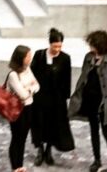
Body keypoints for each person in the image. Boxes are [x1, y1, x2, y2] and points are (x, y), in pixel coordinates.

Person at [71, 30, 107, 172]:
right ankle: (97, 160)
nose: (90, 47)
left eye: (93, 44)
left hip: (104, 102)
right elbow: (84, 76)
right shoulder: (88, 57)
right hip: (90, 100)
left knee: (106, 131)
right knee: (93, 130)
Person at [30, 30, 74, 166]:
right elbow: (32, 74)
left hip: (56, 100)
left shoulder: (65, 58)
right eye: (55, 46)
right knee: (39, 123)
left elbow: (67, 79)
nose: (57, 49)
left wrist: (65, 98)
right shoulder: (39, 55)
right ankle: (40, 150)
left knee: (53, 125)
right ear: (50, 44)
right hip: (39, 98)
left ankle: (48, 150)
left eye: (59, 46)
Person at [5, 45, 39, 172]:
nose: (30, 58)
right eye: (28, 56)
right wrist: (30, 89)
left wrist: (29, 89)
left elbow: (37, 85)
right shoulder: (13, 75)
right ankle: (15, 167)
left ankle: (20, 165)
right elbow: (23, 95)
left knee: (23, 138)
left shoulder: (27, 69)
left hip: (28, 108)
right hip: (17, 110)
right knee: (16, 138)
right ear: (21, 58)